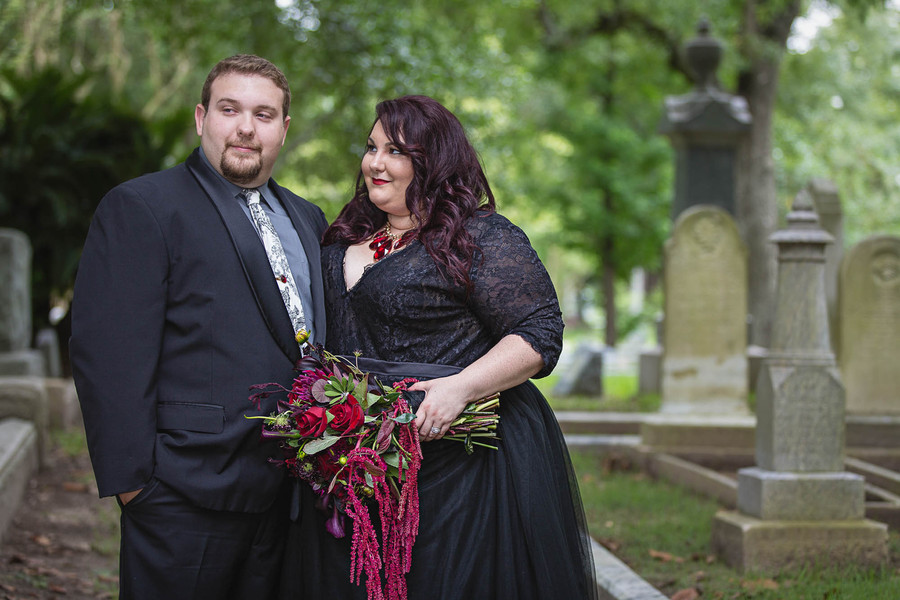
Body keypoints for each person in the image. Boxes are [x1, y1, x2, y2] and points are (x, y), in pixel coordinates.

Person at [281, 95, 597, 599]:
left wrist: (460, 389)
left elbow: (540, 331)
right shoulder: (343, 234)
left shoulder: (479, 236)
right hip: (354, 464)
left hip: (459, 464)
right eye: (371, 147)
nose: (375, 163)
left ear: (433, 162)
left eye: (395, 151)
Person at [70, 54, 327, 600]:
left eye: (263, 114)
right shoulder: (142, 206)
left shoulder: (309, 219)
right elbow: (107, 355)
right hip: (181, 495)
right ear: (200, 118)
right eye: (229, 109)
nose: (245, 127)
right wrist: (135, 487)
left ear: (283, 128)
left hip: (288, 497)